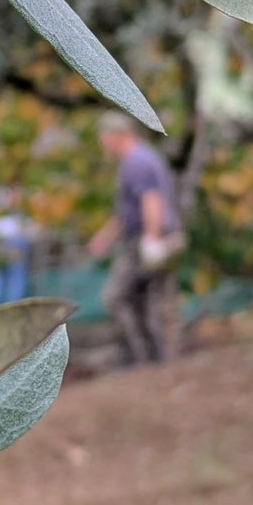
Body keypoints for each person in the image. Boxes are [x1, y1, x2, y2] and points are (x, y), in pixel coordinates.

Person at [88, 112, 184, 364]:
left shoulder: (136, 162)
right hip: (151, 237)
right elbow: (128, 211)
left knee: (117, 296)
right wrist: (105, 237)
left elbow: (150, 200)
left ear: (116, 135)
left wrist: (151, 239)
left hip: (148, 239)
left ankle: (143, 357)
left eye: (103, 138)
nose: (103, 144)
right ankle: (156, 358)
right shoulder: (142, 158)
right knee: (145, 296)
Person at [0, 186, 37, 305]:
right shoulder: (4, 219)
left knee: (11, 277)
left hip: (12, 244)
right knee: (7, 277)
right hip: (9, 244)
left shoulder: (20, 217)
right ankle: (4, 304)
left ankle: (10, 303)